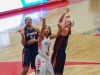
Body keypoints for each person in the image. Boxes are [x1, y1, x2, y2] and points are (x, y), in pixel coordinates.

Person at [51, 8, 74, 75]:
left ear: (70, 25)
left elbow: (62, 26)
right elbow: (59, 22)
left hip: (58, 53)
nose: (66, 21)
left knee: (54, 71)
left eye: (68, 21)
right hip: (62, 53)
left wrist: (65, 15)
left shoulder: (66, 30)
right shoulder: (67, 30)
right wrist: (64, 14)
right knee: (59, 72)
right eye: (66, 21)